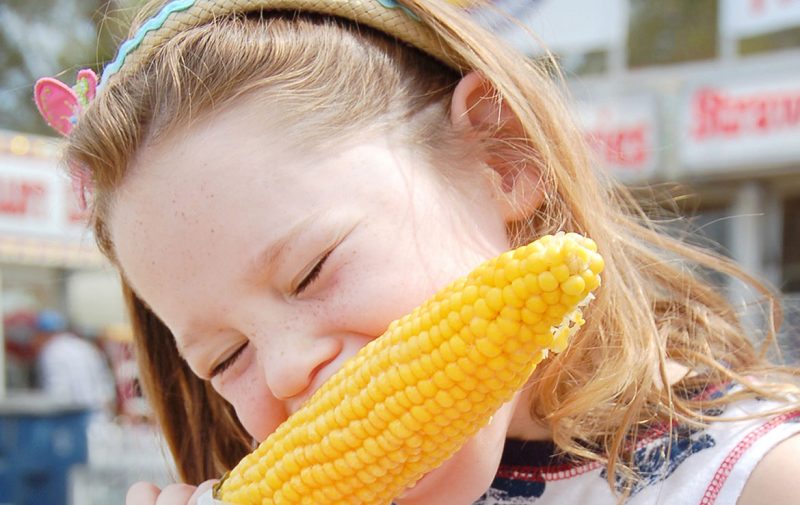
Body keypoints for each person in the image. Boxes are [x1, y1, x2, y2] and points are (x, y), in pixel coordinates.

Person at [35, 0, 800, 503]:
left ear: (501, 158)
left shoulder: (761, 480)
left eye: (310, 271)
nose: (283, 371)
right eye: (224, 356)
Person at [32, 309, 117, 421]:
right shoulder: (84, 346)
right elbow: (104, 382)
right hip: (99, 415)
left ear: (43, 333)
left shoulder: (52, 351)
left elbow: (57, 390)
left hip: (73, 418)